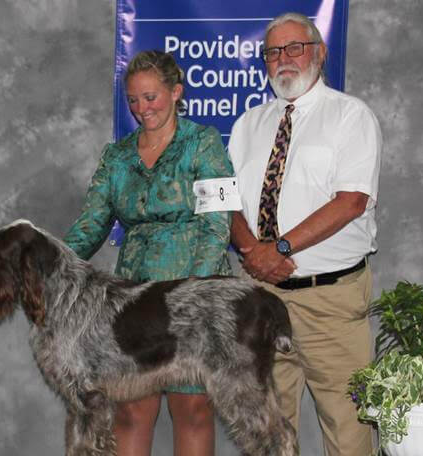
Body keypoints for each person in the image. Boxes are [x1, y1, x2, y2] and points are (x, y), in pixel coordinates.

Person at [64, 50, 235, 456]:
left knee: (192, 408)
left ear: (176, 92)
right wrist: (53, 265)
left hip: (194, 291)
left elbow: (217, 223)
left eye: (151, 97)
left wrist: (194, 294)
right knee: (131, 409)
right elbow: (91, 225)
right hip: (135, 299)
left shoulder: (204, 142)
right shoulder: (116, 156)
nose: (143, 109)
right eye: (134, 100)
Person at [228, 12, 382, 456]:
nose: (283, 59)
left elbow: (352, 200)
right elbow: (225, 199)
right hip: (260, 296)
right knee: (267, 430)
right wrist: (250, 251)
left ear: (319, 52)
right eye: (273, 52)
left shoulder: (352, 117)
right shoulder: (247, 125)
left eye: (295, 48)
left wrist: (278, 248)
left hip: (329, 302)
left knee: (348, 428)